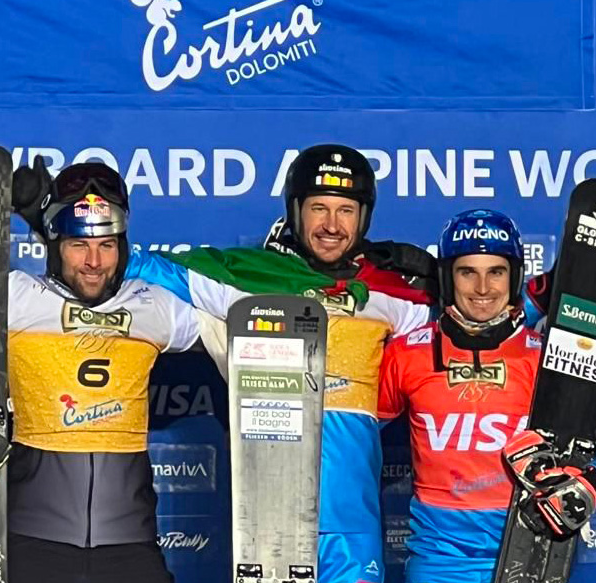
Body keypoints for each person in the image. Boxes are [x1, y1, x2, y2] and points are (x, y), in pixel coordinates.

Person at [0, 135, 200, 583]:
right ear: (54, 244)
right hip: (34, 547)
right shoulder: (16, 296)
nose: (93, 261)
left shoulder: (157, 306)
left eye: (106, 245)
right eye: (78, 245)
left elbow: (246, 321)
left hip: (131, 549)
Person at [127, 144, 438, 583]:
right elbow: (132, 268)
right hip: (270, 527)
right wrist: (55, 220)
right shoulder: (246, 279)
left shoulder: (393, 296)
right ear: (295, 211)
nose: (332, 225)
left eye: (346, 210)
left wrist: (440, 276)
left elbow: (482, 316)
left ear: (364, 218)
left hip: (353, 529)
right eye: (318, 209)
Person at [377, 209, 596, 583]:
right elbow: (357, 438)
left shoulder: (546, 357)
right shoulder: (407, 354)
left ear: (515, 277)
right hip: (438, 564)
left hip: (527, 553)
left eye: (496, 272)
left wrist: (592, 484)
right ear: (447, 278)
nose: (483, 288)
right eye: (467, 272)